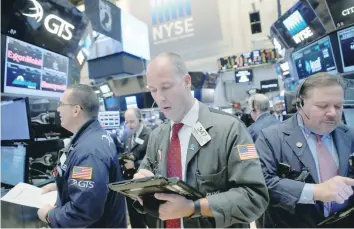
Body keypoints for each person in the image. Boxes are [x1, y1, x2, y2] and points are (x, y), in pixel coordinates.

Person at [134, 53, 269, 228]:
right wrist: (142, 186)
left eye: (166, 87)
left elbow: (254, 197)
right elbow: (146, 173)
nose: (160, 97)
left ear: (187, 81)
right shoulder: (157, 136)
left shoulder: (229, 129)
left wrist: (194, 207)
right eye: (153, 89)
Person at [255, 72, 354, 227]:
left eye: (338, 106)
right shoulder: (271, 138)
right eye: (323, 106)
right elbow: (262, 183)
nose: (332, 113)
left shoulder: (348, 134)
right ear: (299, 104)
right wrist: (314, 191)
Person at [37, 84, 127, 228]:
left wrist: (50, 215)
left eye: (61, 104)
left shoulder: (88, 151)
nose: (58, 109)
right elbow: (97, 184)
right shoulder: (94, 137)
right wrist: (61, 185)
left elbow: (84, 211)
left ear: (76, 110)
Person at [123, 107, 152, 228]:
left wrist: (135, 164)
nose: (129, 125)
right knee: (135, 215)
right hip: (131, 181)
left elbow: (153, 160)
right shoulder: (129, 137)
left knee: (148, 216)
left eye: (132, 121)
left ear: (140, 120)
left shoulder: (150, 134)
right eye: (127, 122)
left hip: (145, 182)